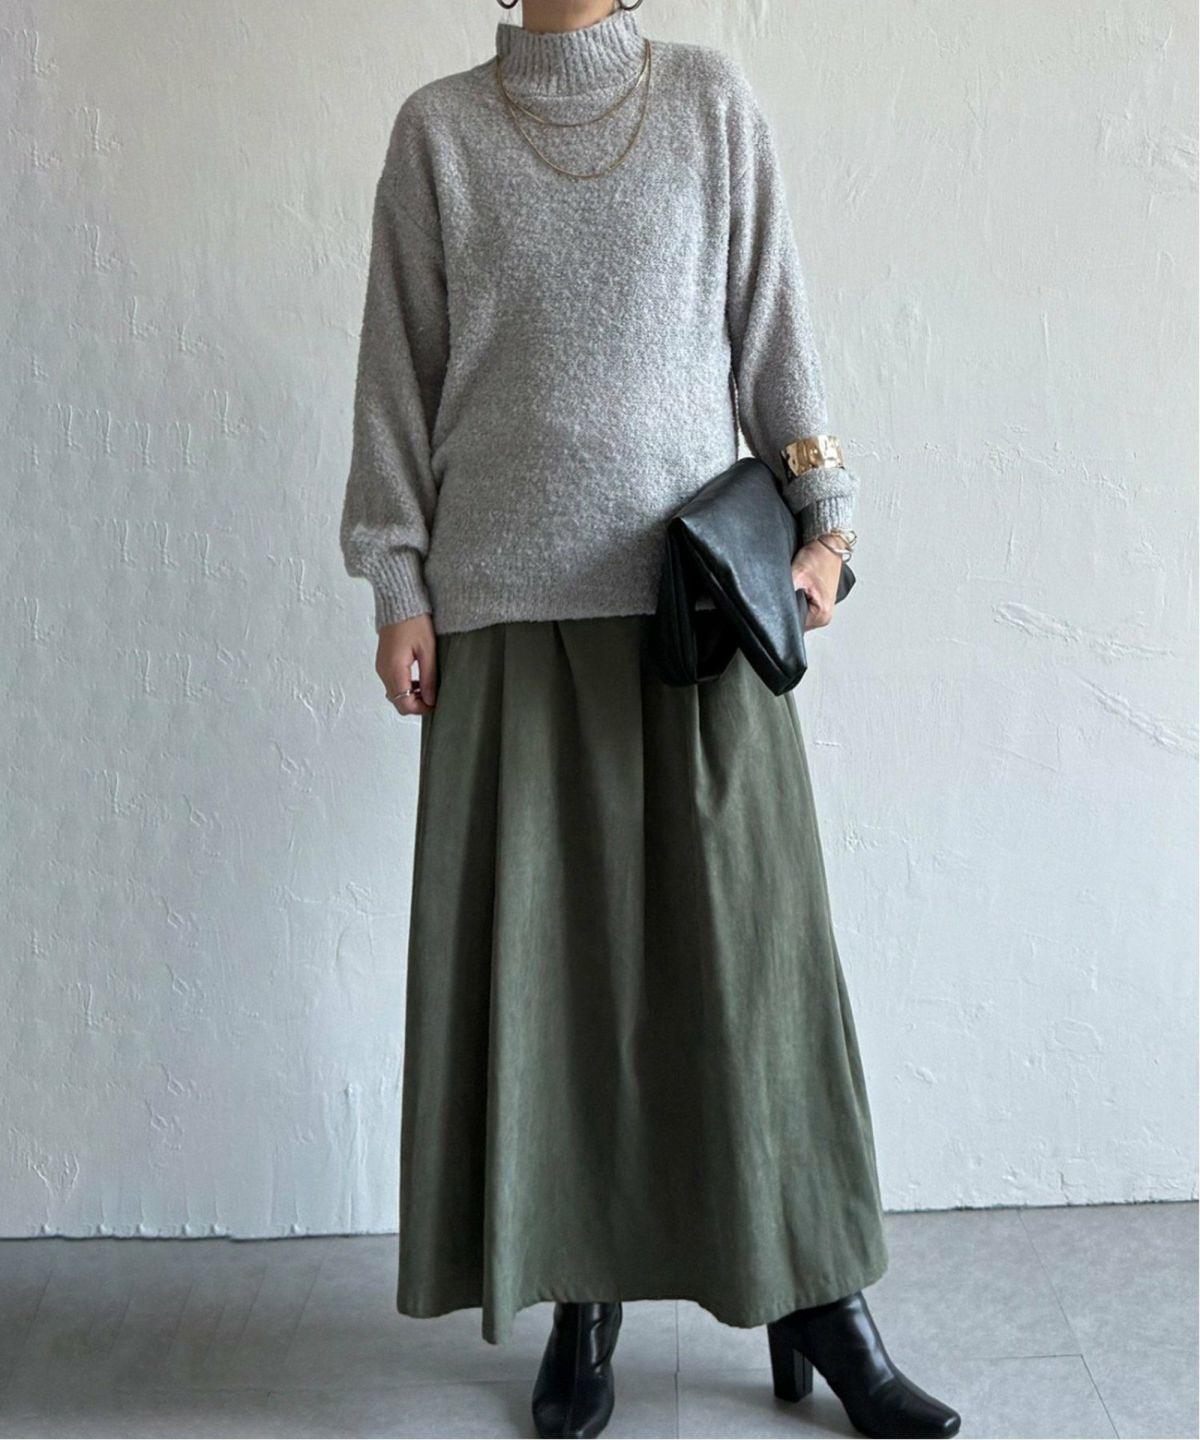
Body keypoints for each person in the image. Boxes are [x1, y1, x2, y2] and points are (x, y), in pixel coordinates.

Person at [339, 2, 961, 1437]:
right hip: (504, 614)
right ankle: (583, 1293)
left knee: (755, 967)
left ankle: (818, 1297)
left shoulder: (708, 103)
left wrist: (827, 522)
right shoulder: (439, 132)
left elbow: (774, 328)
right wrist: (397, 583)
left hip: (700, 608)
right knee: (554, 976)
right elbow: (394, 382)